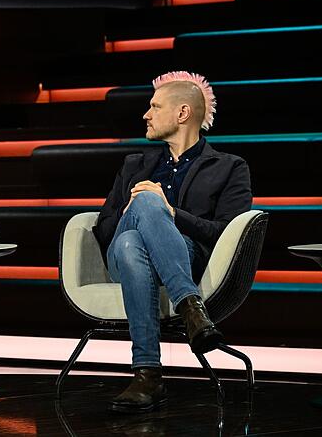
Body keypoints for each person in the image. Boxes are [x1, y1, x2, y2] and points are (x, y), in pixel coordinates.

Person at [93, 71, 252, 412]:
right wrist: (136, 209)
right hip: (120, 259)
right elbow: (103, 227)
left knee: (132, 242)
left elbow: (227, 233)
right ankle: (191, 308)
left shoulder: (230, 167)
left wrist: (172, 214)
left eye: (154, 106)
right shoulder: (135, 164)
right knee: (141, 208)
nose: (145, 115)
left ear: (182, 113)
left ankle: (147, 375)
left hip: (185, 257)